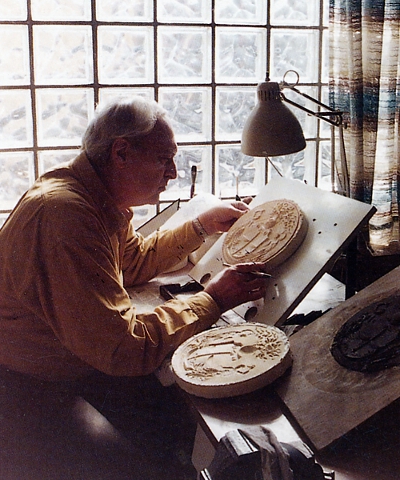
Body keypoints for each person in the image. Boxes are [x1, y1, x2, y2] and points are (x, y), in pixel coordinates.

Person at [0, 97, 268, 480]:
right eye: (164, 159)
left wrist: (202, 226)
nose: (173, 173)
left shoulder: (90, 195)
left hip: (64, 364)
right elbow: (124, 349)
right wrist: (213, 299)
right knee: (141, 466)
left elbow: (133, 263)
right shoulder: (66, 215)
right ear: (121, 153)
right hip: (25, 389)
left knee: (170, 418)